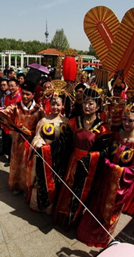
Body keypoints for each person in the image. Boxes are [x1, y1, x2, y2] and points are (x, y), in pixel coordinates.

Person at [77, 99, 134, 247]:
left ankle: (100, 237)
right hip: (104, 179)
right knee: (96, 206)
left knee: (108, 213)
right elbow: (106, 152)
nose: (126, 123)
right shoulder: (116, 135)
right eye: (125, 119)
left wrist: (113, 168)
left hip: (119, 185)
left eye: (130, 120)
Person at [52, 85, 112, 229]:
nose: (87, 106)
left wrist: (90, 157)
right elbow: (64, 141)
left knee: (81, 191)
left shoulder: (102, 127)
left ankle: (75, 220)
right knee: (67, 188)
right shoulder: (75, 121)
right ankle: (62, 216)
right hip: (72, 161)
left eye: (91, 103)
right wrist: (49, 148)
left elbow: (105, 151)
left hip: (89, 166)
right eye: (85, 102)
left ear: (98, 107)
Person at [0, 81, 44, 195]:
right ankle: (16, 185)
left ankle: (27, 187)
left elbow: (42, 125)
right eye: (23, 93)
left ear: (33, 95)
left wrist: (33, 133)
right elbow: (5, 114)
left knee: (29, 164)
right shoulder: (15, 107)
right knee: (17, 163)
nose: (25, 96)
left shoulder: (39, 109)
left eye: (28, 94)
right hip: (18, 140)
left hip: (31, 141)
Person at [30, 86, 68, 214]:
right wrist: (41, 145)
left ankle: (51, 208)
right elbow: (37, 137)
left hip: (60, 157)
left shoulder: (66, 122)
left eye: (58, 105)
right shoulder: (43, 120)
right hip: (45, 155)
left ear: (62, 106)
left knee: (56, 182)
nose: (55, 107)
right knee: (41, 181)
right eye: (53, 104)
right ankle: (37, 204)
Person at [2, 78, 22, 166]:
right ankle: (10, 159)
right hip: (9, 123)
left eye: (12, 86)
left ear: (17, 86)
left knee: (17, 144)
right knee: (9, 143)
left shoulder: (21, 97)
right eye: (9, 86)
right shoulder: (7, 97)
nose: (10, 88)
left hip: (18, 124)